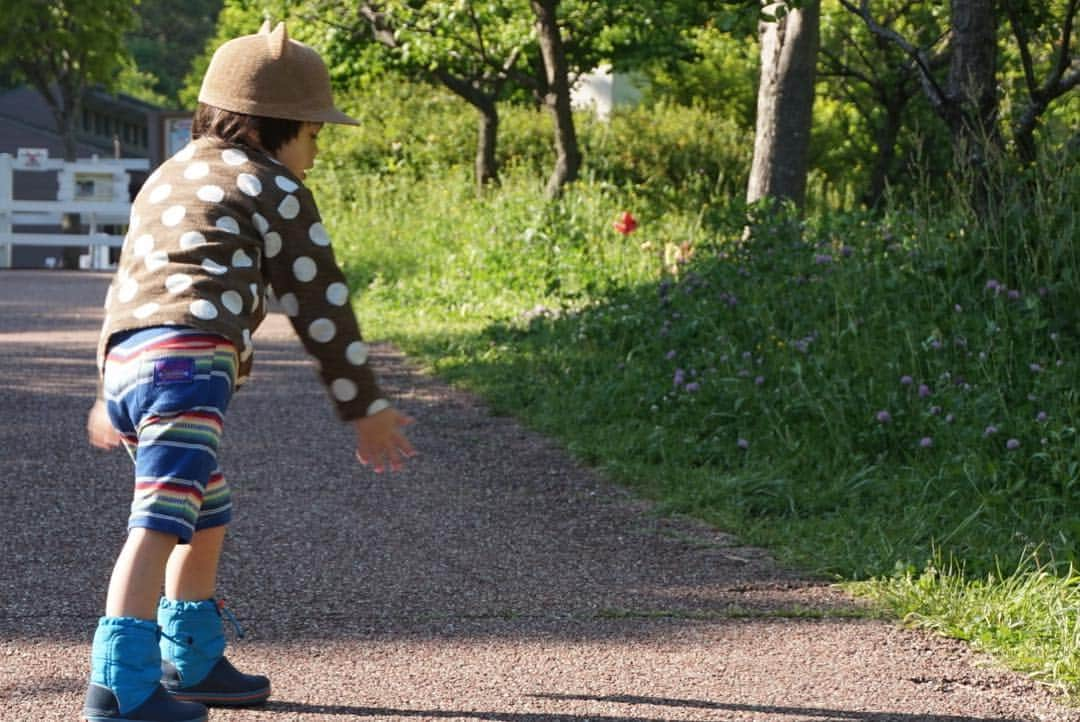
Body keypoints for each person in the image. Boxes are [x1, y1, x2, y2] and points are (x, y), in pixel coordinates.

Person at [83, 21, 415, 722]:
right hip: (189, 361)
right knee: (161, 520)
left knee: (205, 510)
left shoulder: (168, 175)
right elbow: (320, 302)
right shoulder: (274, 184)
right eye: (315, 134)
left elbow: (130, 283)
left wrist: (103, 388)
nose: (316, 152)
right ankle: (119, 687)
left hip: (133, 359)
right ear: (274, 128)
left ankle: (192, 658)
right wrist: (364, 405)